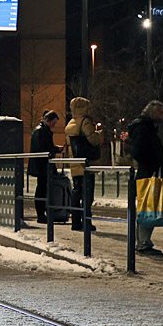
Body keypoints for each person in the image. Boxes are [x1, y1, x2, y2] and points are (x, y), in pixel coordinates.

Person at [127, 100, 163, 257]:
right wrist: (152, 163)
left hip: (148, 171)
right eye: (162, 112)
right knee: (148, 207)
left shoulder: (145, 128)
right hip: (149, 172)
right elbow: (139, 151)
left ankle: (143, 241)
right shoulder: (144, 129)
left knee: (148, 207)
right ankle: (143, 243)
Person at [65, 97, 102, 232]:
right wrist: (99, 135)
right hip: (86, 164)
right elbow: (93, 140)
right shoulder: (85, 122)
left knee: (77, 192)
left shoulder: (71, 123)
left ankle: (75, 222)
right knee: (88, 195)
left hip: (75, 163)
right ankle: (87, 221)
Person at [29, 110, 61, 224]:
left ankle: (42, 214)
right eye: (54, 122)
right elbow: (44, 148)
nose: (54, 125)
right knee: (42, 189)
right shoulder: (43, 131)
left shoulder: (40, 130)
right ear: (48, 120)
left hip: (40, 165)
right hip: (42, 166)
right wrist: (56, 149)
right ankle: (41, 215)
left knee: (41, 189)